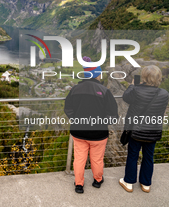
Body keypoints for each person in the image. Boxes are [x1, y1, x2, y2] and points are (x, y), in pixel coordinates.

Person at [64, 56, 118, 194]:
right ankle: (97, 180)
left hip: (79, 132)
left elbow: (68, 109)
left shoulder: (75, 89)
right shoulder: (105, 92)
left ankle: (79, 184)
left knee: (79, 159)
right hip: (98, 134)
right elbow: (113, 116)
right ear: (96, 74)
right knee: (97, 159)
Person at [119, 65, 168, 193]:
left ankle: (129, 182)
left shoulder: (136, 90)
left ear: (144, 77)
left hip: (136, 130)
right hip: (153, 131)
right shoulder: (164, 93)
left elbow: (126, 97)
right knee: (148, 157)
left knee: (133, 155)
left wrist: (132, 85)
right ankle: (146, 184)